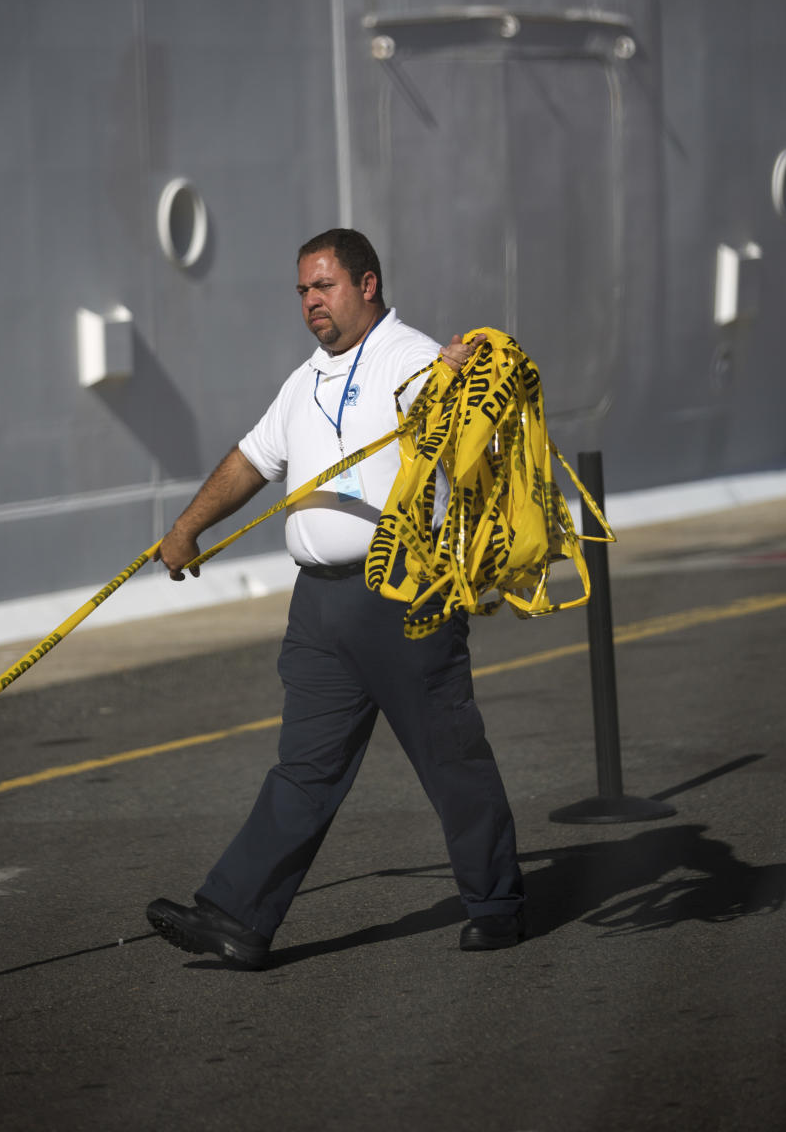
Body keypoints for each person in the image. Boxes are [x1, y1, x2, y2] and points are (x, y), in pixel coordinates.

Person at [146, 228, 525, 969]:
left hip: (404, 591)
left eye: (324, 286)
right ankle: (237, 917)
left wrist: (462, 371)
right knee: (305, 767)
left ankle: (498, 906)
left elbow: (466, 417)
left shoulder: (413, 360)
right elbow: (254, 459)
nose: (311, 302)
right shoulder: (304, 381)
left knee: (450, 759)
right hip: (319, 608)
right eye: (302, 290)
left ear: (367, 284)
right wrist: (186, 528)